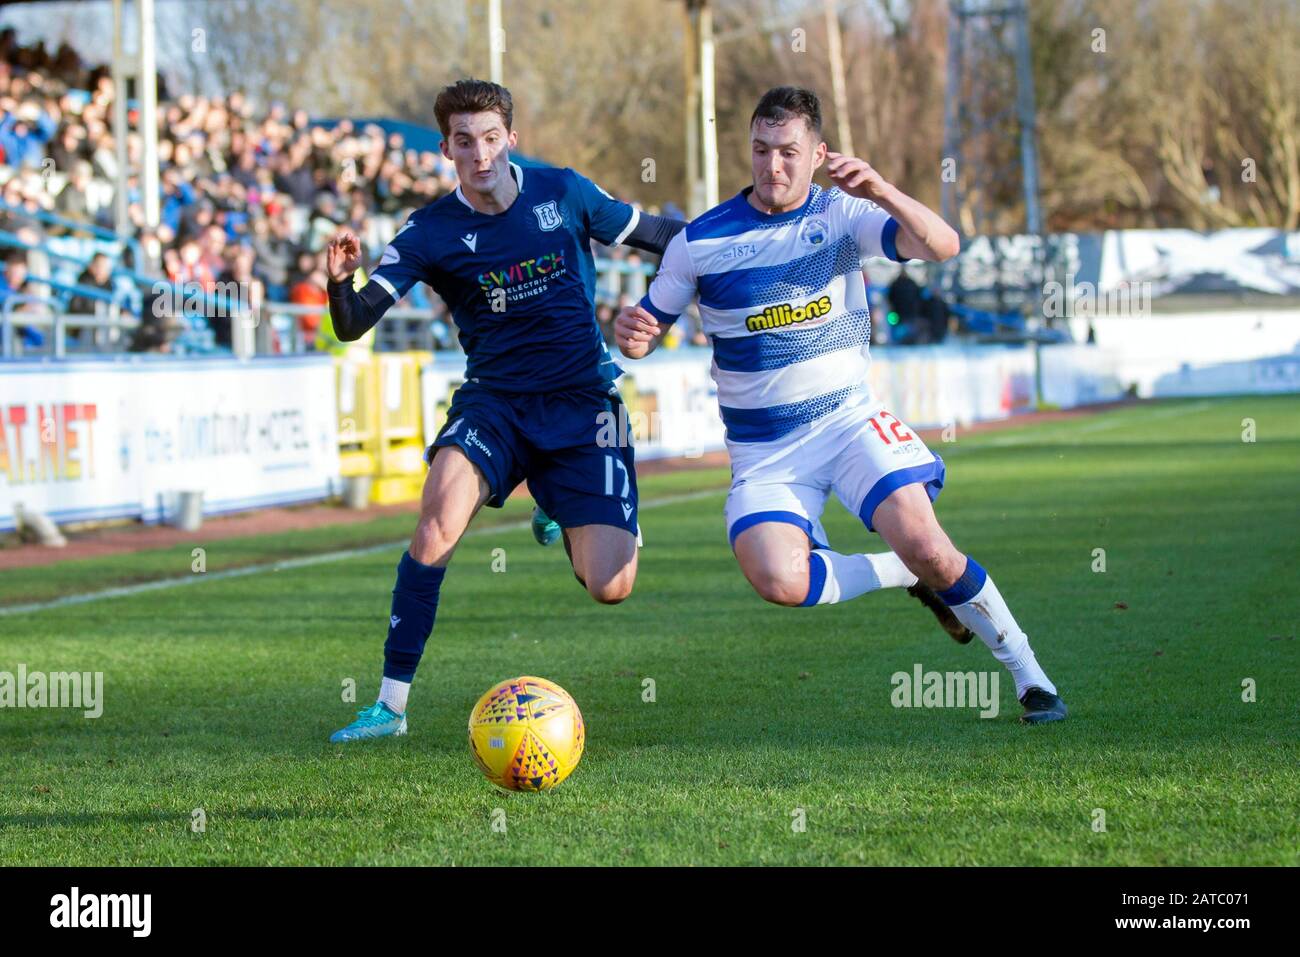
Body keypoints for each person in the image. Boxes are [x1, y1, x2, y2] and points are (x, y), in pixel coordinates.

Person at [615, 86, 1066, 724]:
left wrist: (880, 190)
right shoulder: (701, 241)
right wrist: (632, 334)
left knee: (933, 548)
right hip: (766, 453)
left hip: (850, 423)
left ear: (819, 154)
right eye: (761, 150)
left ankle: (1029, 677)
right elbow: (644, 331)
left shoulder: (844, 216)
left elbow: (942, 245)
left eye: (789, 153)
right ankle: (902, 575)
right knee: (780, 581)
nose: (773, 166)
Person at [322, 79, 684, 742]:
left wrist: (741, 245)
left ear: (510, 138)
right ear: (446, 148)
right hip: (495, 402)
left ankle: (557, 496)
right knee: (434, 525)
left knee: (611, 585)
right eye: (465, 141)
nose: (480, 153)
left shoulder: (564, 191)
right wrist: (338, 280)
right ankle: (390, 708)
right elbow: (352, 322)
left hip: (584, 402)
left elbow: (665, 236)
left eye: (491, 138)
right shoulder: (430, 231)